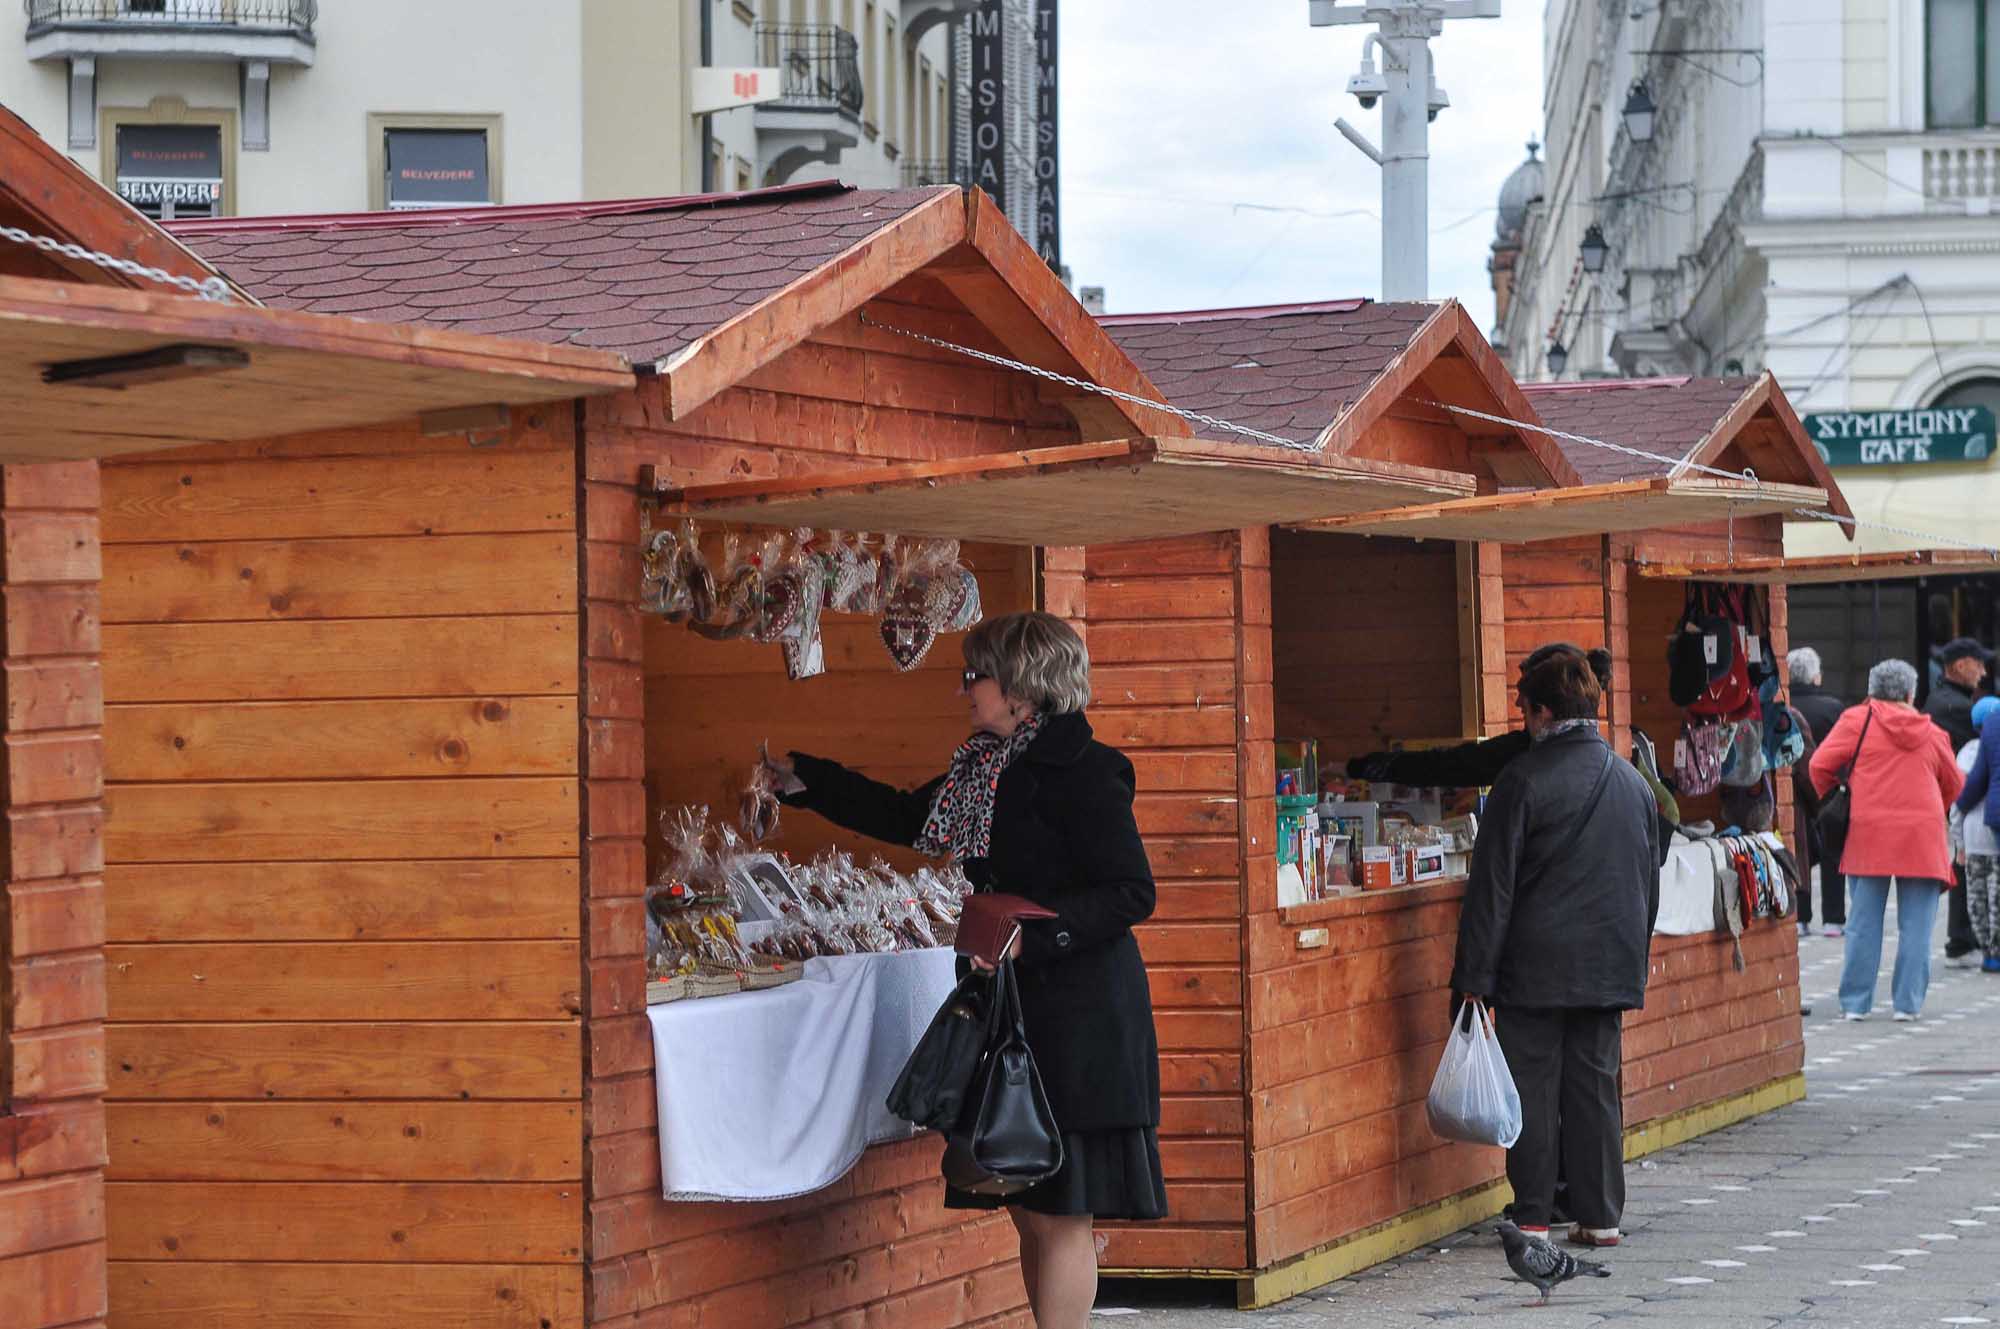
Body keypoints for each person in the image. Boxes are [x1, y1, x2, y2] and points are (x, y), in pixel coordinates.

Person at [766, 611, 1164, 1329]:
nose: (963, 690)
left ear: (1021, 687)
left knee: (1061, 1211)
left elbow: (1131, 891)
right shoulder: (982, 770)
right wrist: (807, 780)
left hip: (1083, 1019)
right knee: (1027, 1206)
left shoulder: (1086, 770)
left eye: (975, 675)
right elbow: (904, 818)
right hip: (1016, 1010)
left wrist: (1031, 939)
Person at [1450, 646, 1662, 1250]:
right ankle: (1601, 1215)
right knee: (1596, 1088)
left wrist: (1473, 979)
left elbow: (1492, 891)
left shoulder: (1521, 781)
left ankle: (1535, 1215)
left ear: (1544, 712)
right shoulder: (1632, 783)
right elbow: (1646, 883)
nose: (1523, 720)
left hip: (1535, 969)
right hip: (1609, 965)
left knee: (1535, 1089)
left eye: (1525, 709)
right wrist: (1631, 958)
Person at [1810, 659, 1965, 1021]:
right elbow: (1955, 781)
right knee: (1917, 926)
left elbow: (1818, 765)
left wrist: (1838, 795)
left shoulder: (1856, 720)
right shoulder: (1931, 731)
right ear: (1910, 694)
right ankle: (1907, 1005)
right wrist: (1935, 807)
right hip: (1922, 834)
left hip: (1868, 830)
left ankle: (1855, 1004)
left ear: (1871, 691)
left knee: (1863, 922)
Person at [1928, 638, 1992, 966]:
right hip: (1958, 801)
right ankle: (1963, 939)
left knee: (1966, 865)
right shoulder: (1956, 708)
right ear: (1959, 666)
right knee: (1969, 867)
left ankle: (1965, 938)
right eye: (1978, 664)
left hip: (1952, 799)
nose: (1983, 672)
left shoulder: (1945, 699)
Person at [1787, 646, 1848, 936]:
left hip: (1793, 793)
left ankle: (1800, 917)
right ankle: (1833, 920)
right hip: (1829, 790)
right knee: (1832, 851)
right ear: (1815, 677)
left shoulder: (1784, 707)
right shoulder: (1833, 708)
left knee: (1798, 849)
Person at [1953, 696, 2000, 972]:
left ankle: (1987, 952)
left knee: (1977, 896)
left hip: (1973, 836)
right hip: (1991, 837)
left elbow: (1963, 794)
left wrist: (1957, 841)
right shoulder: (1985, 746)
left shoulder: (1966, 752)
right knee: (1995, 897)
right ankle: (1996, 950)